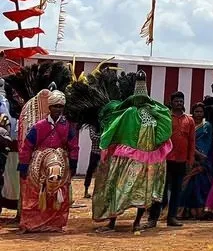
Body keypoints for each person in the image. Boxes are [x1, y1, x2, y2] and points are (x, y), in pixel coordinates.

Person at [92, 71, 173, 232]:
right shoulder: (129, 112)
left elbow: (164, 132)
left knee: (141, 191)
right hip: (128, 159)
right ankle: (113, 223)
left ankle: (135, 223)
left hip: (145, 159)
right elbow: (114, 129)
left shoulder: (154, 113)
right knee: (119, 188)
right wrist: (107, 146)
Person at [18, 90, 78, 233]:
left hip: (60, 161)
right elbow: (27, 146)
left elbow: (74, 146)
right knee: (34, 192)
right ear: (49, 107)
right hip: (39, 163)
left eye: (60, 106)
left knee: (59, 191)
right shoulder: (39, 126)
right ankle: (31, 224)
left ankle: (55, 223)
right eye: (55, 106)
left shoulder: (66, 126)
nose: (58, 109)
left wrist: (73, 163)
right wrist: (24, 165)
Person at [154, 91, 195, 229]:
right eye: (176, 101)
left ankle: (172, 217)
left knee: (177, 190)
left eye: (181, 101)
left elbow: (192, 142)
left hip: (181, 160)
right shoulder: (165, 117)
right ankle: (153, 218)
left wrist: (190, 160)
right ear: (171, 103)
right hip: (165, 159)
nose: (179, 103)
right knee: (160, 189)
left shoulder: (189, 120)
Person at [179, 102, 213, 220]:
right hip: (189, 157)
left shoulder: (207, 126)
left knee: (201, 184)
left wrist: (201, 155)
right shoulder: (189, 124)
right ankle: (183, 212)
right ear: (193, 112)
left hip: (202, 160)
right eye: (196, 111)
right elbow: (186, 140)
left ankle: (199, 211)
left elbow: (208, 142)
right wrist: (194, 153)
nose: (199, 114)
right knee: (186, 185)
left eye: (201, 112)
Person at [82, 123, 101, 199]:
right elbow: (93, 137)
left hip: (103, 152)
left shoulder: (104, 124)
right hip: (95, 152)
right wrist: (105, 137)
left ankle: (98, 192)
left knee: (102, 173)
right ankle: (86, 190)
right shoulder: (92, 125)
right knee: (90, 171)